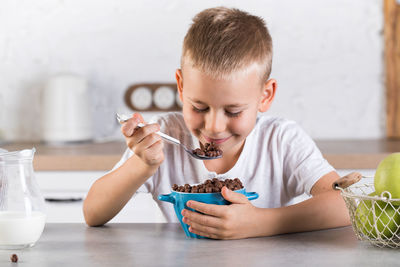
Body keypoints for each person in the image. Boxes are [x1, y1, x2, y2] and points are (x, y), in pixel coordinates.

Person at [83, 7, 350, 239]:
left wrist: (260, 223)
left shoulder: (281, 141)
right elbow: (93, 213)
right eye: (199, 107)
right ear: (181, 86)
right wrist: (142, 164)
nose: (213, 126)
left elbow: (347, 206)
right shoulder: (165, 136)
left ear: (265, 96)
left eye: (233, 112)